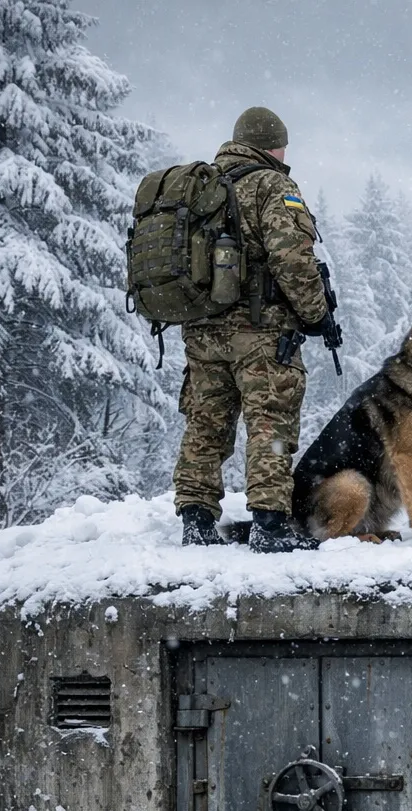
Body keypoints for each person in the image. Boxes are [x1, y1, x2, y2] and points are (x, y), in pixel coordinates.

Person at [173, 106, 334, 552]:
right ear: (272, 144)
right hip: (260, 333)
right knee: (270, 423)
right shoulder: (272, 185)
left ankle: (196, 520)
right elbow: (292, 260)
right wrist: (316, 315)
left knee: (205, 423)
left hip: (201, 331)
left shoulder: (197, 187)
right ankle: (269, 524)